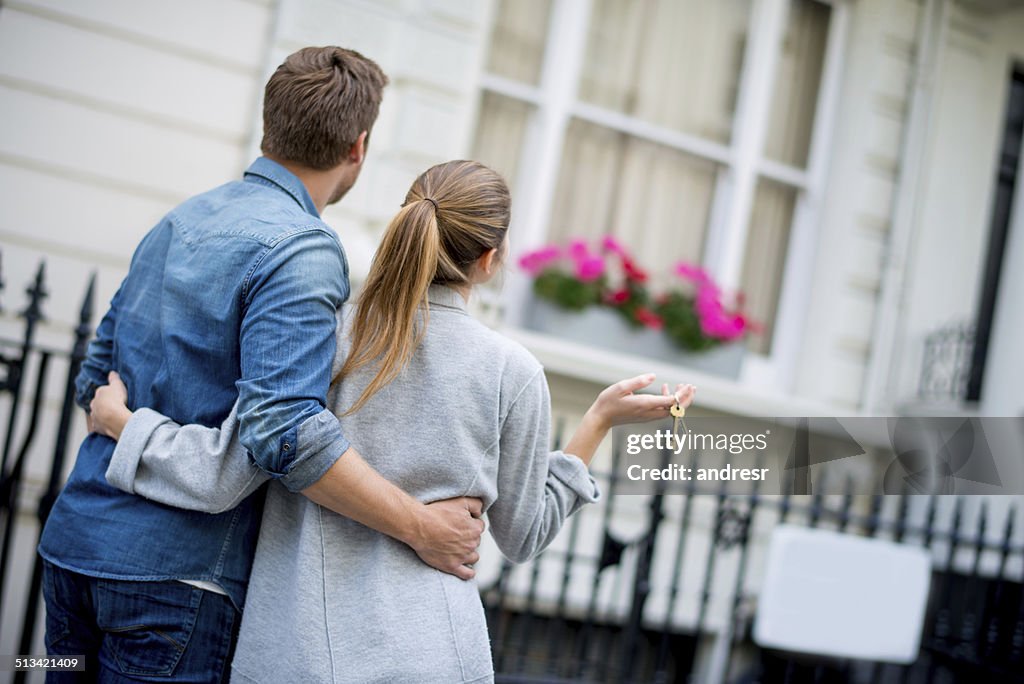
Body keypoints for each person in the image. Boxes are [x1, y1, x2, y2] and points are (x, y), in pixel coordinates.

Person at [89, 159, 697, 683]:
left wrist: (126, 425)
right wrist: (596, 423)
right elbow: (524, 535)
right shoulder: (511, 371)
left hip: (291, 652)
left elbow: (226, 468)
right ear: (491, 259)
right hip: (432, 657)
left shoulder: (322, 335)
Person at [38, 47, 486, 683]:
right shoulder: (302, 249)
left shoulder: (180, 218)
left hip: (71, 555)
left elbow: (96, 382)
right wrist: (420, 526)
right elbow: (285, 436)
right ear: (358, 146)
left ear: (269, 125)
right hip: (172, 589)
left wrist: (120, 423)